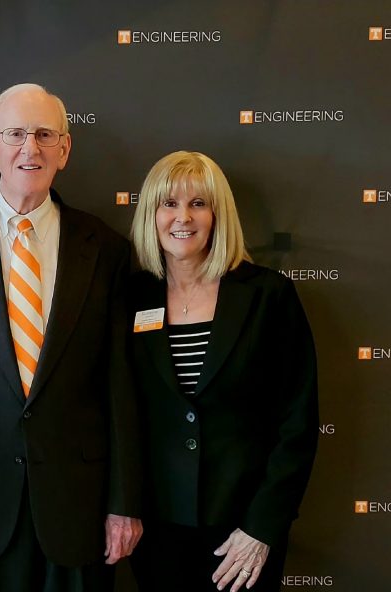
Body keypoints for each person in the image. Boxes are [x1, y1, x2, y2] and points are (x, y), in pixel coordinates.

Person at [0, 83, 142, 592]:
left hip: (80, 506)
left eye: (43, 134)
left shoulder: (106, 248)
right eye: (15, 134)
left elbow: (120, 383)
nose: (29, 148)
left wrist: (124, 504)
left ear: (65, 148)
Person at [127, 150, 318, 592]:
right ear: (151, 214)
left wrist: (262, 528)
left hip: (243, 534)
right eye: (169, 203)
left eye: (199, 204)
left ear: (218, 214)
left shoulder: (268, 296)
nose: (183, 218)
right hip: (157, 533)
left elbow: (298, 423)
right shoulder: (130, 298)